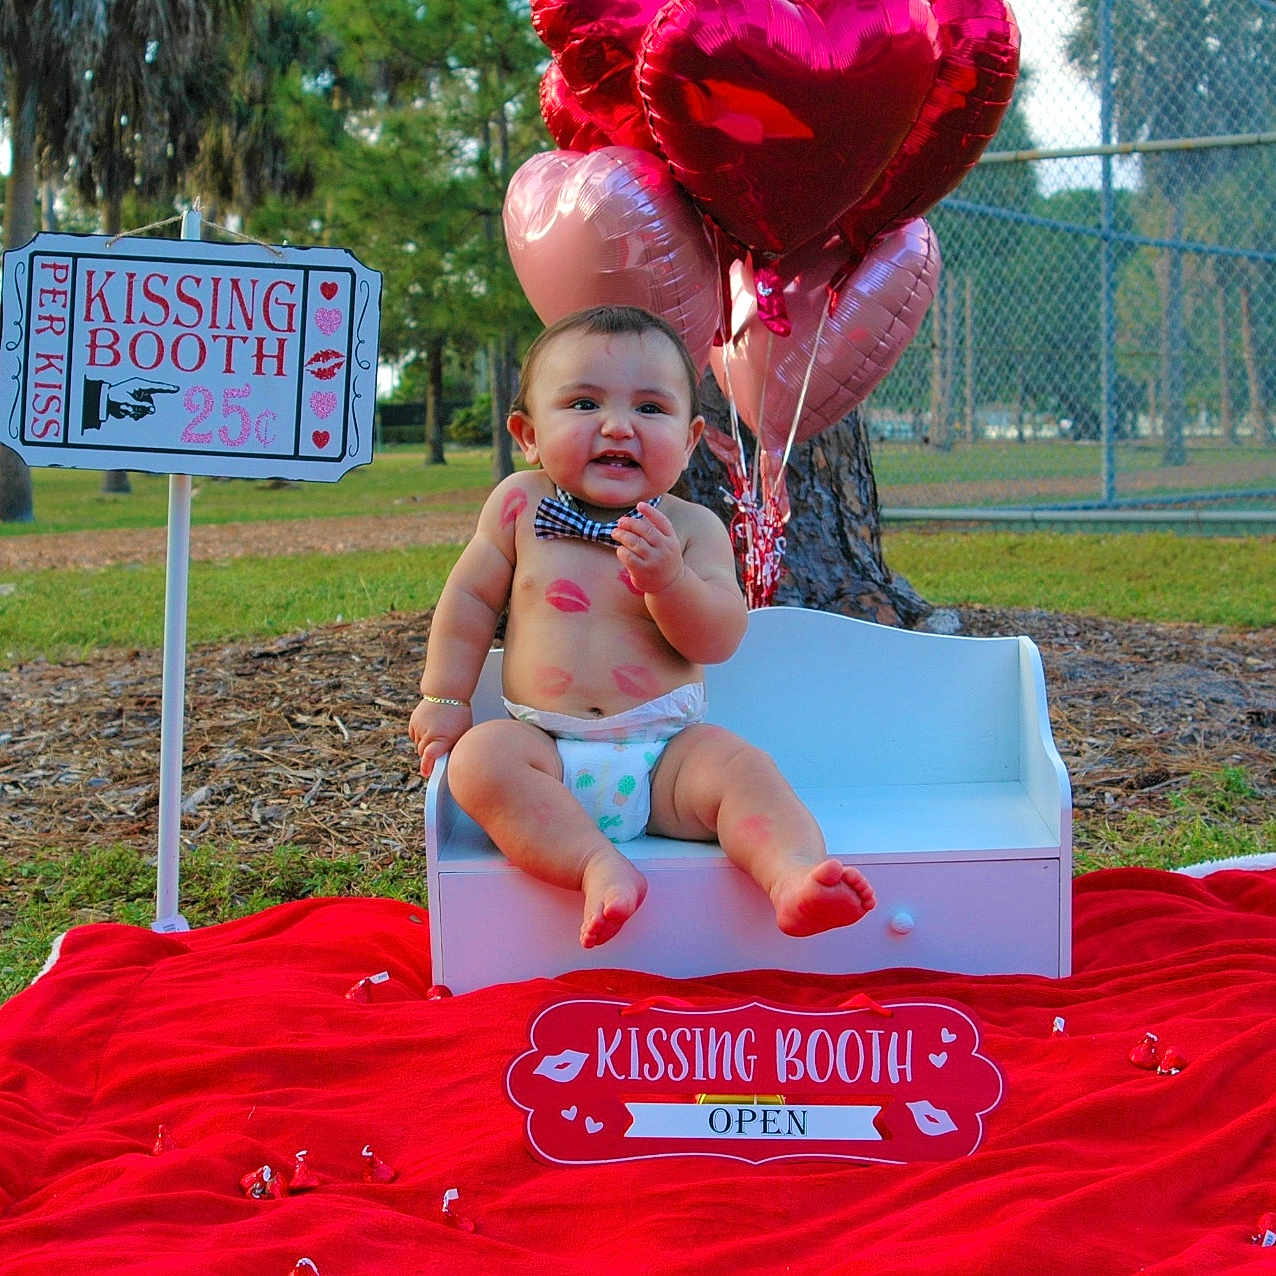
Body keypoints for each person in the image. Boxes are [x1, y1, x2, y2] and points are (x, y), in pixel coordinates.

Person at [408, 305, 875, 948]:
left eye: (651, 409)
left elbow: (719, 638)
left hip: (666, 760)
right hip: (546, 751)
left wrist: (669, 584)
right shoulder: (518, 505)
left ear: (687, 441)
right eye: (582, 403)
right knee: (481, 763)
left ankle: (792, 876)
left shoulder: (693, 529)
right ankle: (593, 863)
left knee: (745, 772)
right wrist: (444, 697)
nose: (619, 426)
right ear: (529, 434)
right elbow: (467, 602)